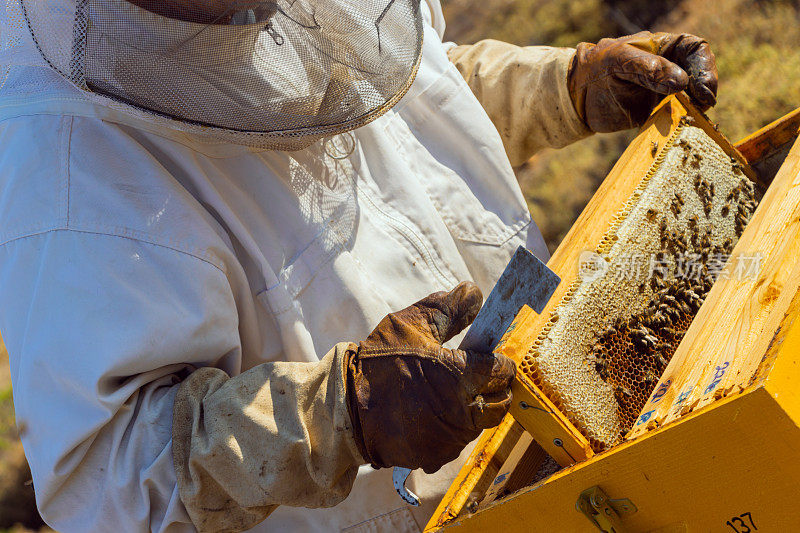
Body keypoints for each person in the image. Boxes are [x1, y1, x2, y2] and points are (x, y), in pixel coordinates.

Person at [0, 0, 717, 531]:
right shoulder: (65, 167)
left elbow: (400, 80)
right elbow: (111, 478)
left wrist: (562, 86)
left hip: (576, 421)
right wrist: (340, 412)